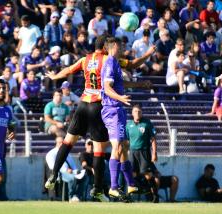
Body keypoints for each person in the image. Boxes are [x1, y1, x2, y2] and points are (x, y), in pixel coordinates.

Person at [45, 35, 156, 202]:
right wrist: (148, 53)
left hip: (83, 104)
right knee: (99, 149)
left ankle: (53, 175)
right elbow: (132, 64)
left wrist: (55, 77)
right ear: (106, 47)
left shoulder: (85, 59)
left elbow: (68, 70)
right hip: (99, 105)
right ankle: (98, 188)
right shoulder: (109, 59)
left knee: (68, 142)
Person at [101, 37, 143, 200]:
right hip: (112, 109)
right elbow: (107, 87)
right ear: (114, 47)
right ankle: (113, 187)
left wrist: (140, 85)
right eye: (122, 45)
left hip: (118, 108)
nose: (124, 47)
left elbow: (119, 84)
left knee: (124, 145)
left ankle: (131, 185)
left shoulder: (116, 63)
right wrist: (120, 98)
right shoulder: (110, 63)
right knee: (118, 146)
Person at [126, 104, 158, 202]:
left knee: (147, 174)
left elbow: (153, 139)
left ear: (142, 113)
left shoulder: (147, 123)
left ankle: (155, 196)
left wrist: (154, 153)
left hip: (144, 152)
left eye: (139, 111)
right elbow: (127, 141)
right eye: (135, 111)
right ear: (132, 113)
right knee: (132, 174)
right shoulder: (128, 125)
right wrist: (125, 152)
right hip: (132, 153)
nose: (137, 113)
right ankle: (131, 196)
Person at [46, 136, 86, 202]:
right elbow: (52, 167)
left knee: (84, 177)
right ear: (56, 143)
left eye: (63, 142)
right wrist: (65, 169)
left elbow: (73, 165)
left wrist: (76, 171)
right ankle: (71, 197)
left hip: (72, 172)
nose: (62, 144)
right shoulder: (51, 154)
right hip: (61, 173)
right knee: (72, 178)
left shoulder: (67, 154)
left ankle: (78, 196)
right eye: (60, 142)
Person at [0, 79, 15, 200]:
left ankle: (3, 199)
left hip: (1, 149)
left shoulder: (8, 110)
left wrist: (12, 132)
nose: (2, 91)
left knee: (2, 178)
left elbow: (11, 126)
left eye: (4, 88)